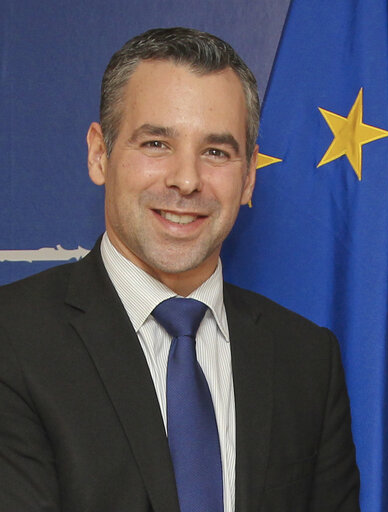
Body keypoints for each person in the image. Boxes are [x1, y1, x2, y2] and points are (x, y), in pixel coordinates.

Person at [0, 27, 359, 512]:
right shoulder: (13, 340)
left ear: (249, 177)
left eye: (216, 152)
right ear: (98, 153)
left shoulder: (308, 361)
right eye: (155, 144)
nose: (187, 180)